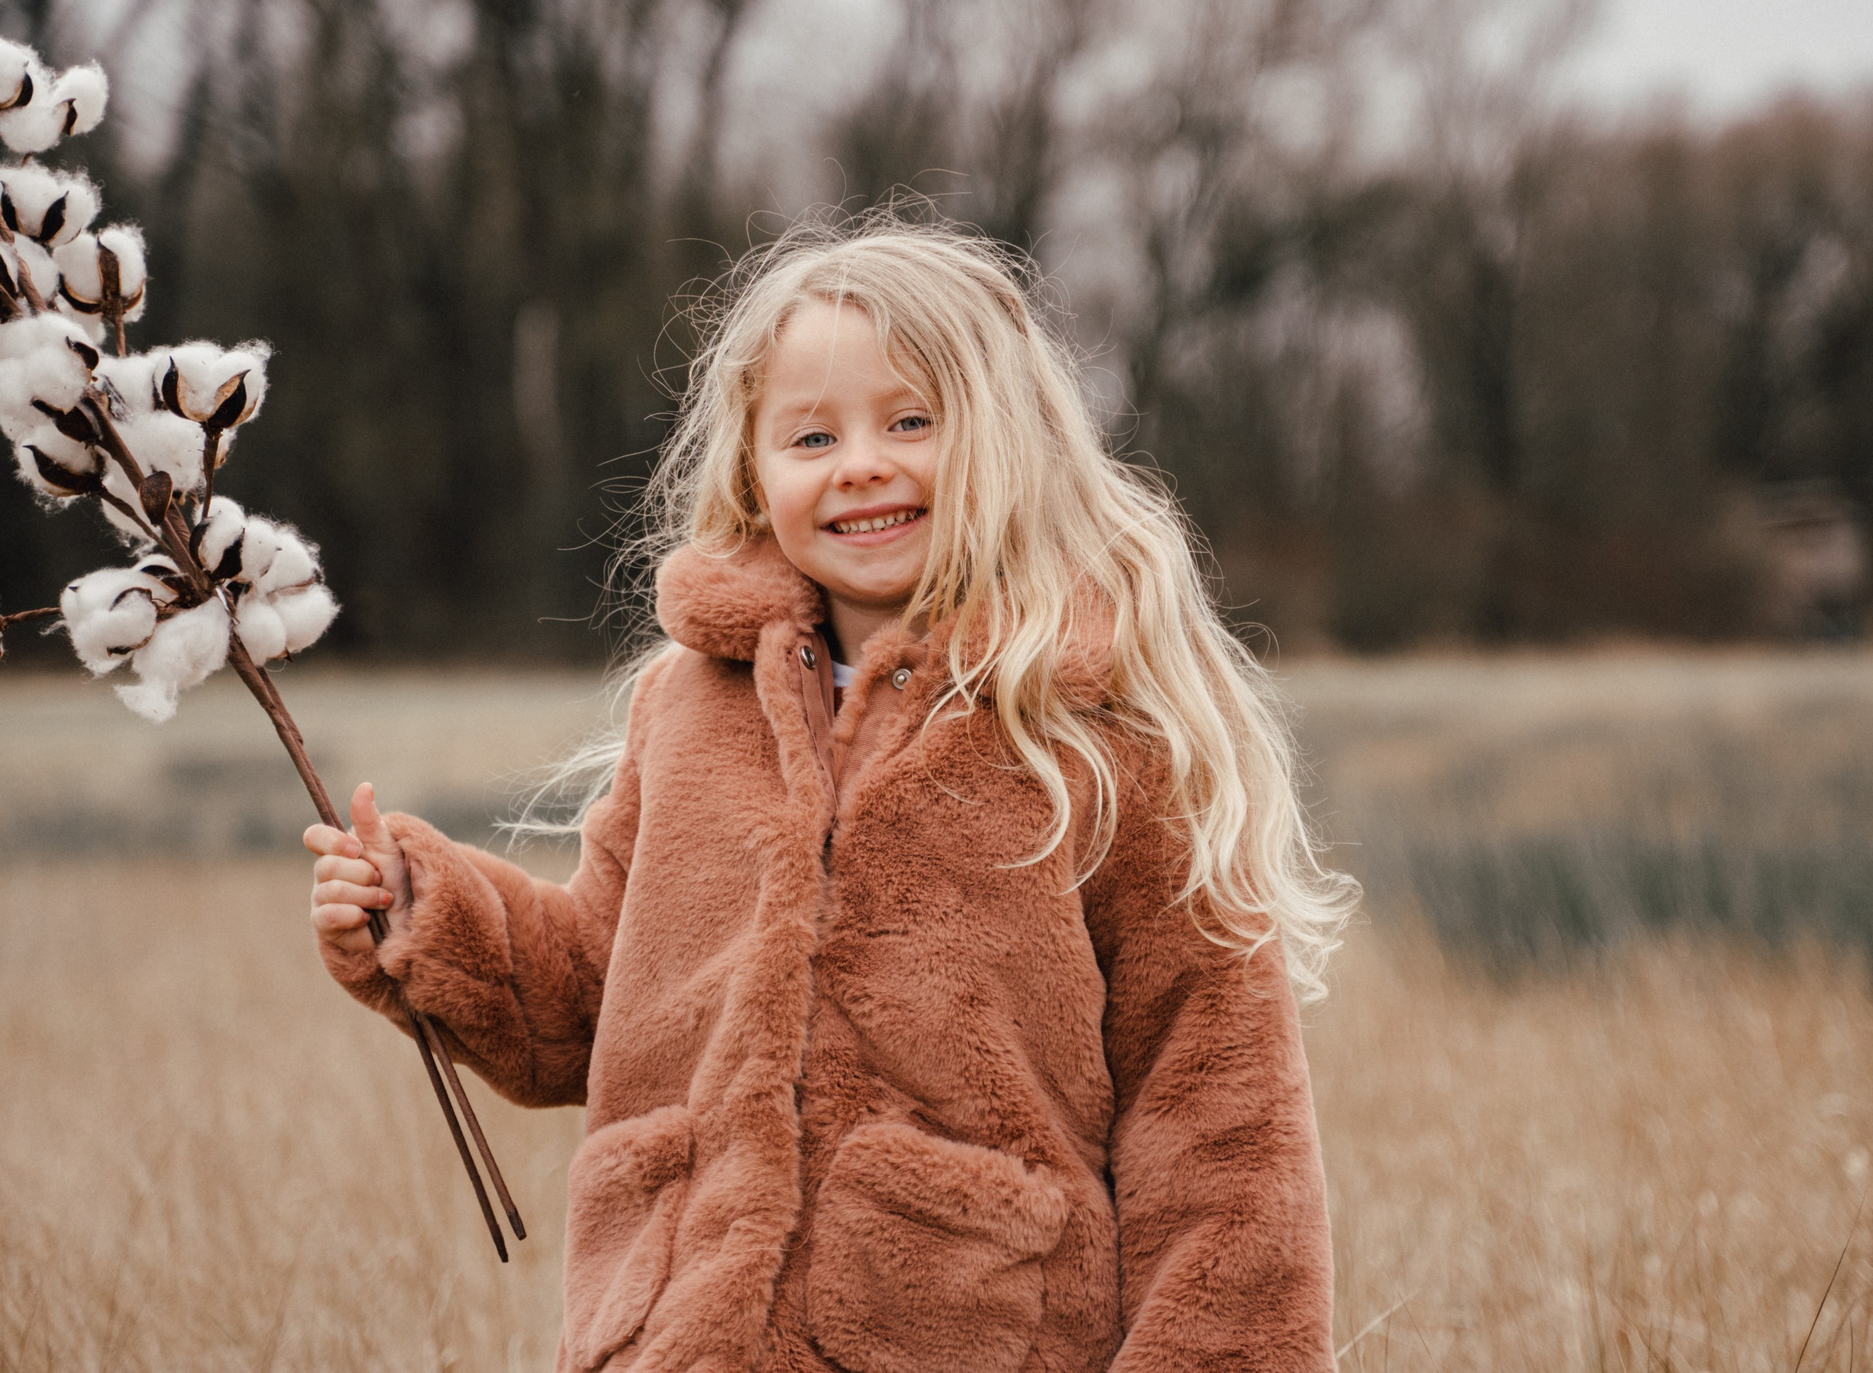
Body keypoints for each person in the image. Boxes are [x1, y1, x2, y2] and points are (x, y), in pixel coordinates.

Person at [304, 214, 1356, 1373]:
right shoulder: (691, 704)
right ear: (755, 468)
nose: (861, 463)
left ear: (1010, 442)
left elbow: (1221, 1132)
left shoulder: (1097, 733)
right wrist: (422, 912)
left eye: (911, 421)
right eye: (811, 435)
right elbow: (598, 1000)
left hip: (969, 1336)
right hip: (678, 1328)